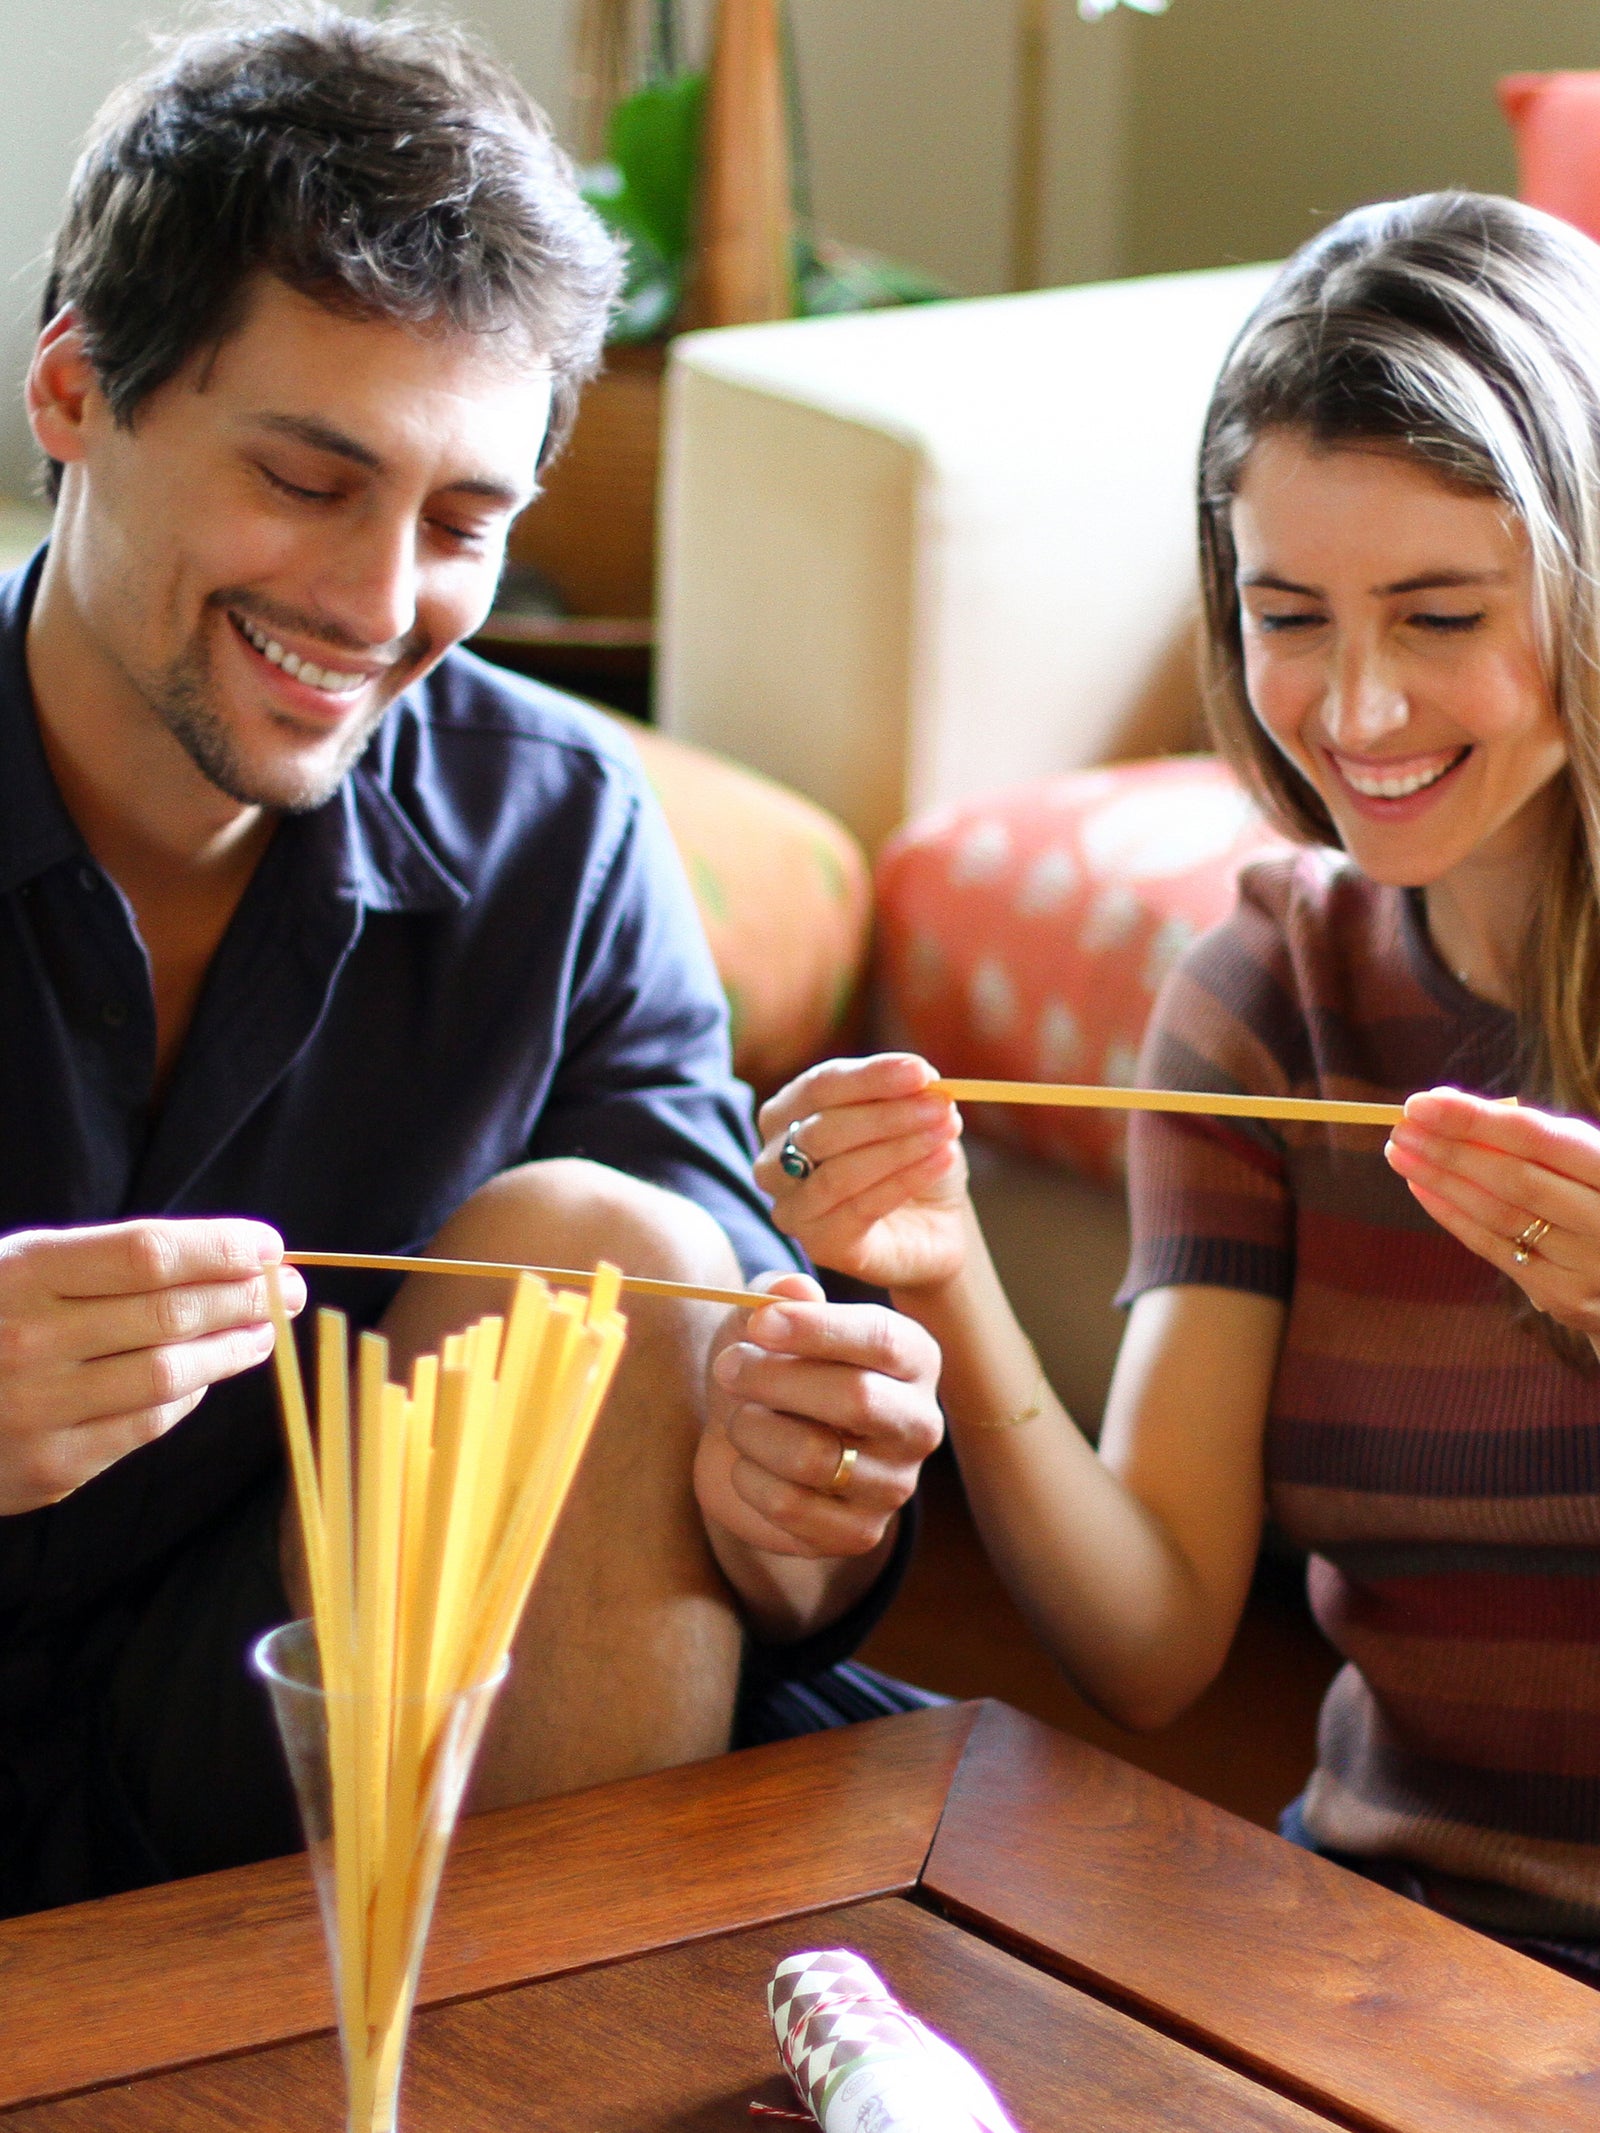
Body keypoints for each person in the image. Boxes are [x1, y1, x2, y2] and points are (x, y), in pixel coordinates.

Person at [0, 7, 943, 1919]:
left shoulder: (561, 826)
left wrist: (797, 1504)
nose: (373, 602)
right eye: (307, 477)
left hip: (366, 1740)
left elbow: (714, 1424)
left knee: (622, 1269)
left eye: (461, 520)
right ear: (78, 395)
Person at [759, 191, 1600, 1974]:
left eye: (1441, 614)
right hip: (1390, 1938)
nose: (1357, 710)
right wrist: (942, 1270)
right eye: (1289, 614)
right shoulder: (1263, 1000)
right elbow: (1149, 1644)